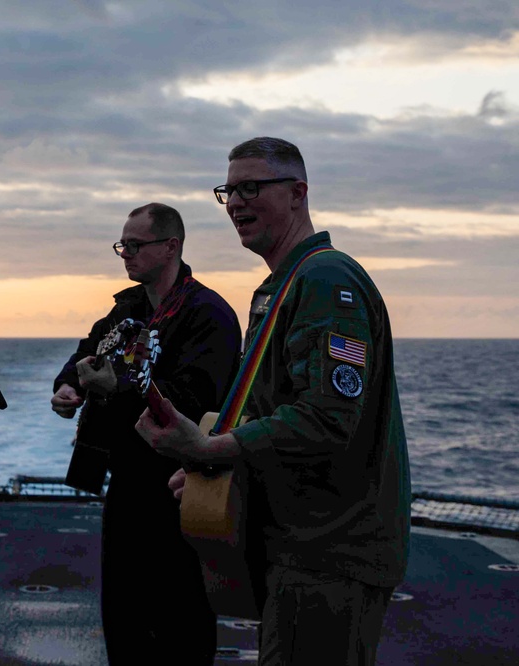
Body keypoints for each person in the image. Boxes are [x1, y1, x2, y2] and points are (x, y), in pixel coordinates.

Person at [135, 138, 411, 666]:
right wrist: (210, 468)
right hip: (297, 547)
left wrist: (213, 451)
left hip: (330, 554)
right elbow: (271, 407)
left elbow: (327, 420)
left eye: (252, 187)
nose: (236, 202)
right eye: (229, 190)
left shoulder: (327, 280)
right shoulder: (281, 287)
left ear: (297, 194)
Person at [51, 203, 242, 664]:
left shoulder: (208, 314)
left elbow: (196, 399)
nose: (125, 255)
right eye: (123, 245)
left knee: (180, 617)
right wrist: (66, 386)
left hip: (180, 486)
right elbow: (86, 352)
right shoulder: (127, 309)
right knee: (124, 616)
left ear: (171, 246)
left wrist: (116, 387)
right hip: (127, 482)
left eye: (135, 246)